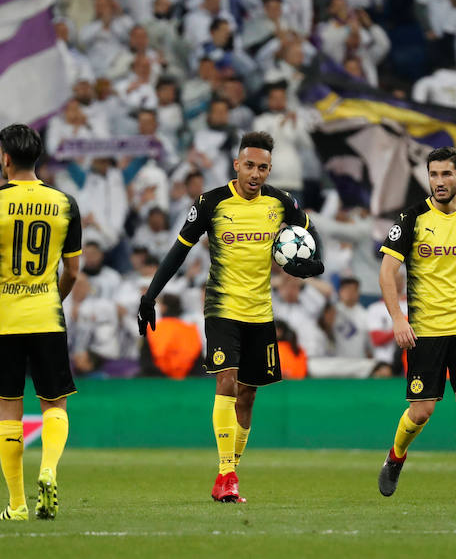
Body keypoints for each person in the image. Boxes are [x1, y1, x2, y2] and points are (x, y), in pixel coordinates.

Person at [137, 131, 324, 503]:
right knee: (226, 383)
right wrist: (150, 295)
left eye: (263, 168)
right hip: (222, 308)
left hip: (260, 312)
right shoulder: (211, 202)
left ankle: (229, 470)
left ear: (270, 170)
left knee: (248, 396)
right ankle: (227, 474)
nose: (256, 174)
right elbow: (179, 251)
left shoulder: (280, 201)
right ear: (236, 164)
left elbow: (310, 234)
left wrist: (310, 267)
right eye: (250, 165)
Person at [376, 147, 456, 504]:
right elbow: (387, 272)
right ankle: (396, 455)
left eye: (447, 174)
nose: (439, 181)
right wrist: (398, 318)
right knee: (422, 411)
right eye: (434, 174)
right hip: (425, 330)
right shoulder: (412, 218)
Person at [0, 125, 82, 521]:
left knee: (9, 412)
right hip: (47, 315)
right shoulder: (64, 202)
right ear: (38, 158)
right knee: (54, 404)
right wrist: (54, 298)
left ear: (4, 157)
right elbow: (73, 270)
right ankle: (49, 468)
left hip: (5, 318)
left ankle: (17, 505)